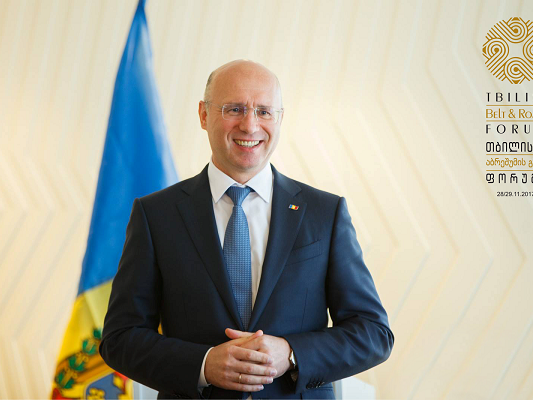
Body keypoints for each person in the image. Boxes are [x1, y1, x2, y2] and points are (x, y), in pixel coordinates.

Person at [100, 60, 394, 399]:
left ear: (279, 119)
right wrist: (203, 364)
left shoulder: (325, 213)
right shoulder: (156, 215)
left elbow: (373, 333)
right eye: (234, 109)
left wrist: (292, 354)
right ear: (203, 115)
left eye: (264, 111)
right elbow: (120, 338)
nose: (250, 125)